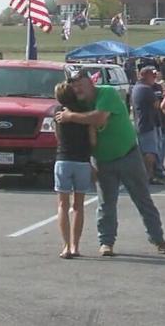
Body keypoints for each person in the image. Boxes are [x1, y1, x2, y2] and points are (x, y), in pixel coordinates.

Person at [56, 69, 165, 257]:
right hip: (102, 160)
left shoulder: (106, 92)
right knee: (106, 204)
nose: (77, 89)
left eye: (80, 84)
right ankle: (106, 242)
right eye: (73, 86)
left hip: (128, 154)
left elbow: (100, 117)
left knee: (142, 199)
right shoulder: (78, 104)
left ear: (90, 82)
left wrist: (71, 117)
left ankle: (158, 239)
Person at [53, 83, 96, 259]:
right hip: (82, 161)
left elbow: (57, 136)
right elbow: (93, 140)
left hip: (63, 159)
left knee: (63, 204)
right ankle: (75, 246)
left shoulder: (57, 112)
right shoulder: (85, 112)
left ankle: (65, 246)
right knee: (78, 206)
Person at [131, 67, 163, 184]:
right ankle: (149, 175)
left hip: (141, 123)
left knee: (145, 150)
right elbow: (156, 105)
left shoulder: (136, 88)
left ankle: (148, 174)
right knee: (150, 151)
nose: (154, 78)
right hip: (147, 124)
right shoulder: (145, 89)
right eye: (152, 76)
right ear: (144, 75)